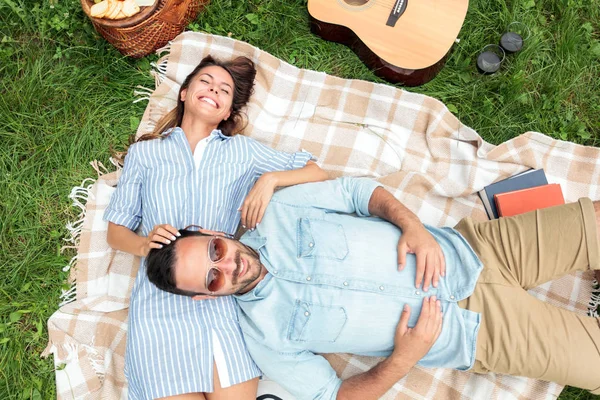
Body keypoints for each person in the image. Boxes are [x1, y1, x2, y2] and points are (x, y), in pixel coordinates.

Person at [146, 177, 600, 400]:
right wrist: (404, 358)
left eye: (215, 249)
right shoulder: (264, 338)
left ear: (211, 232)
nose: (228, 263)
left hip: (477, 250)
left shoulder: (279, 209)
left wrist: (413, 227)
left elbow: (357, 193)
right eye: (212, 276)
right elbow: (331, 398)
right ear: (207, 296)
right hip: (478, 333)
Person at [104, 55, 329, 400]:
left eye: (224, 90)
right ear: (184, 93)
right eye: (206, 81)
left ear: (226, 113)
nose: (213, 90)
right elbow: (115, 231)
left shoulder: (242, 152)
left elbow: (316, 172)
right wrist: (143, 244)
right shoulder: (146, 155)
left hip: (218, 295)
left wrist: (269, 180)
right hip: (158, 303)